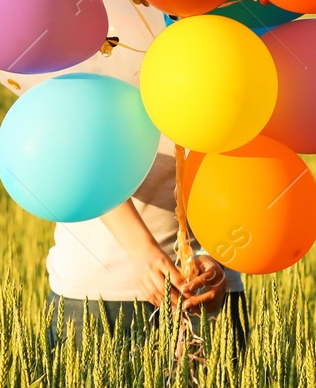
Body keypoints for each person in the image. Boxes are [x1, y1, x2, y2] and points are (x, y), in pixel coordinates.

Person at [46, 135, 246, 348]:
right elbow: (64, 132)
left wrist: (217, 251)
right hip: (97, 292)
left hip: (209, 290)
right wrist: (140, 248)